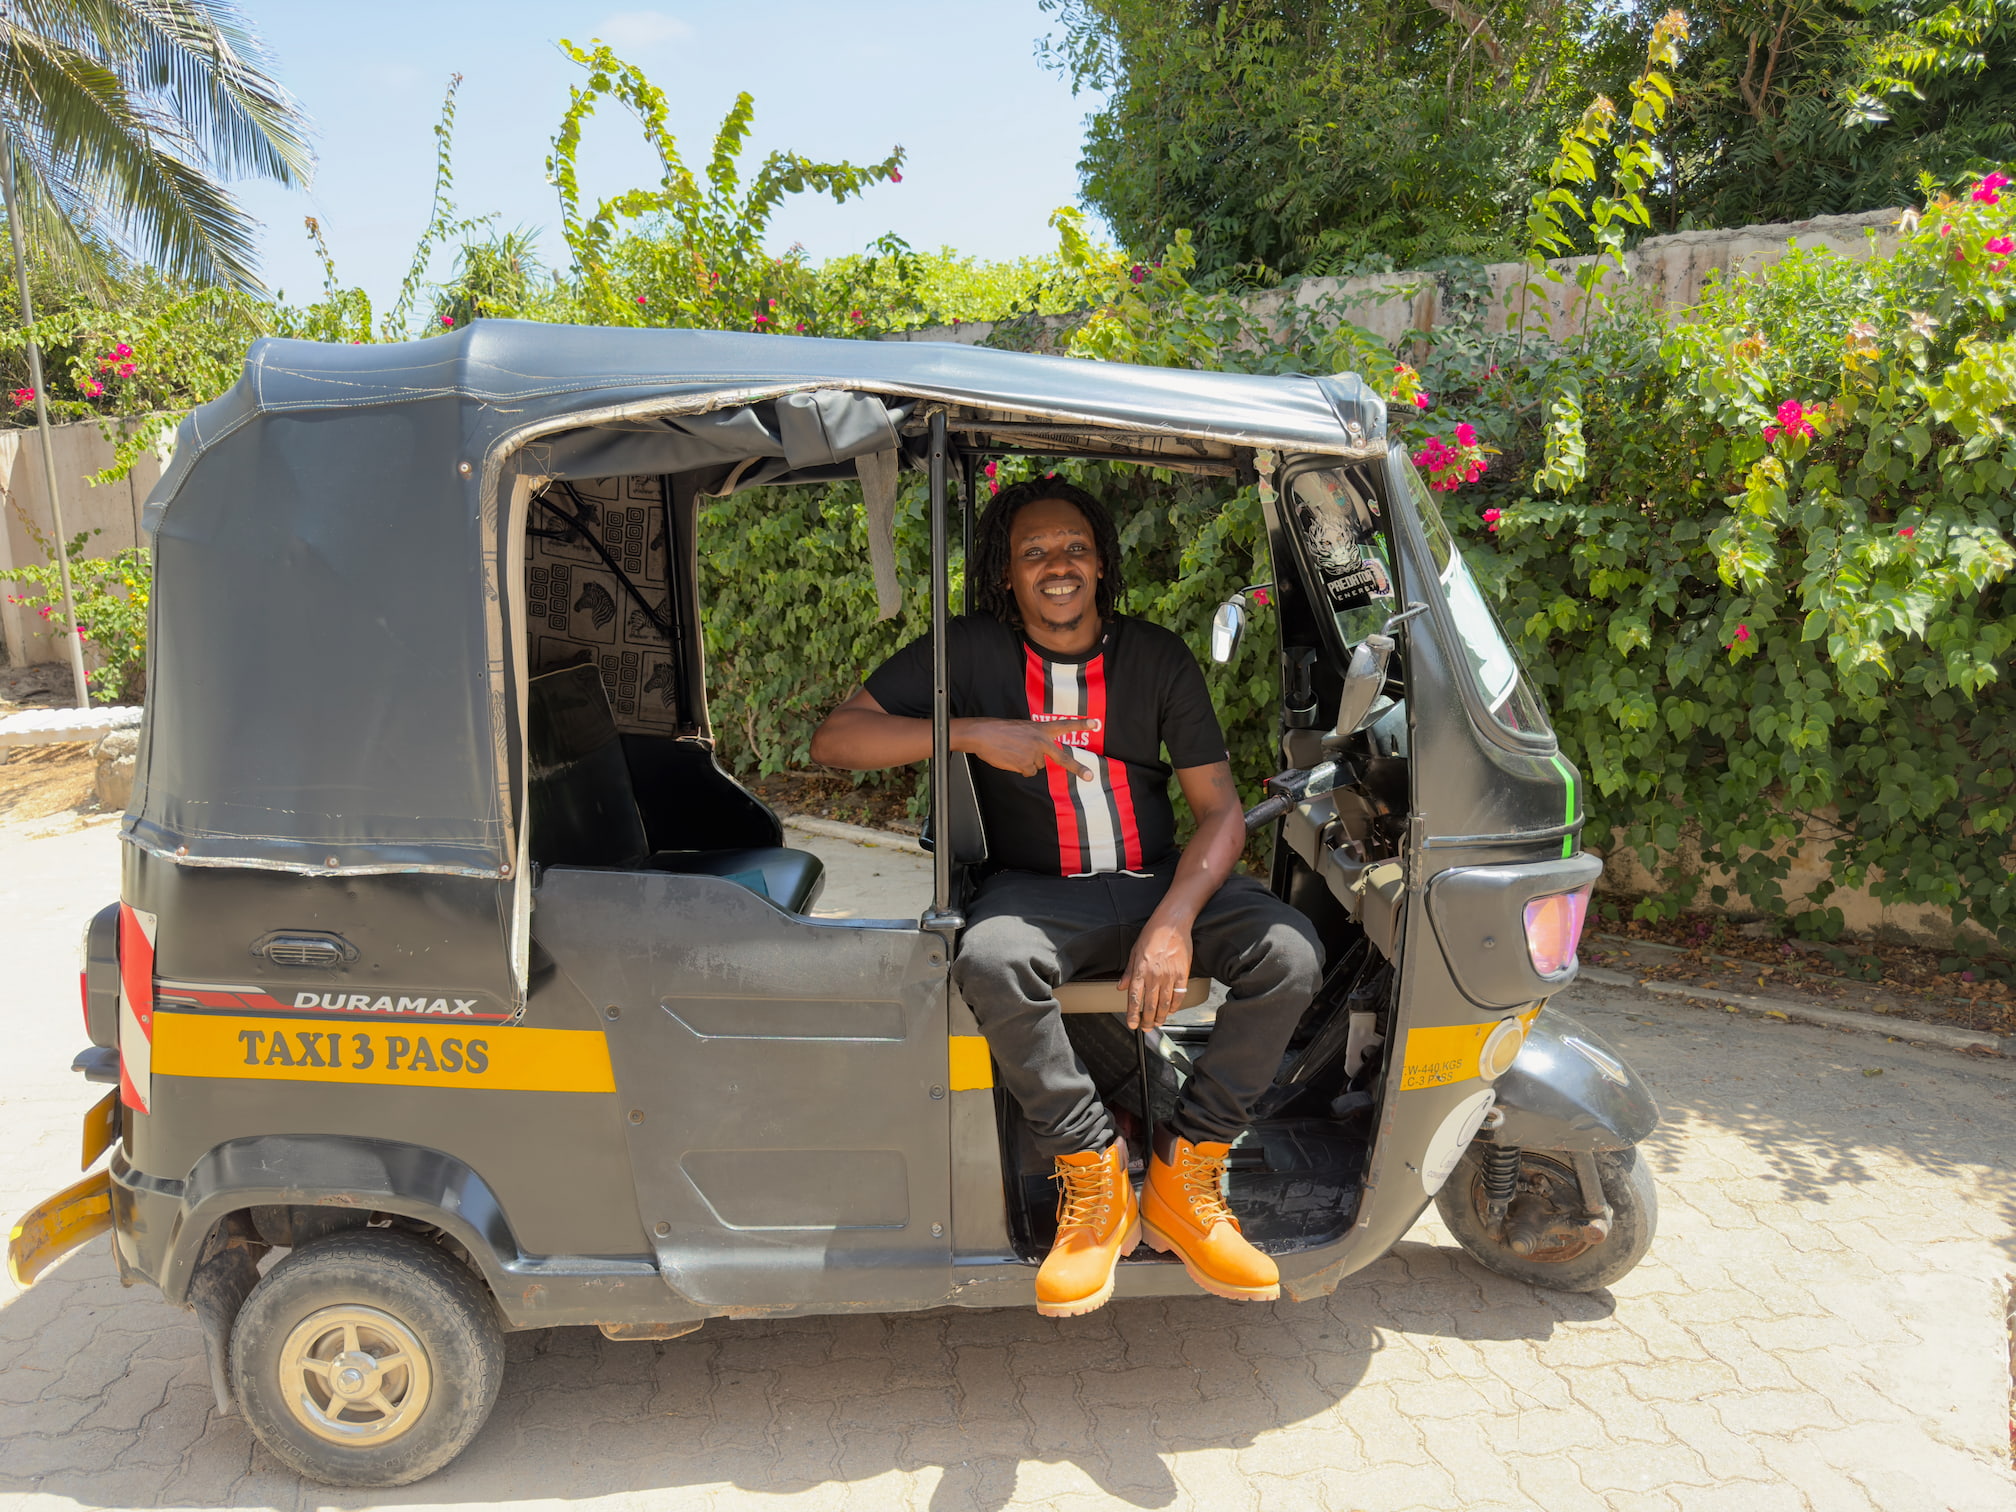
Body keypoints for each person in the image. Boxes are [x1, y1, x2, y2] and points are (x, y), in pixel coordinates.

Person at [809, 479, 1324, 1317]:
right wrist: (975, 732)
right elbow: (836, 739)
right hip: (1039, 894)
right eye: (1034, 551)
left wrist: (1173, 921)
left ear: (1102, 563)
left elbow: (1221, 812)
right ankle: (1095, 1177)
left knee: (1291, 954)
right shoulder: (969, 652)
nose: (1058, 565)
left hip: (1155, 880)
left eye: (1075, 548)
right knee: (990, 959)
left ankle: (1186, 1173)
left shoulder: (1155, 657)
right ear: (1006, 572)